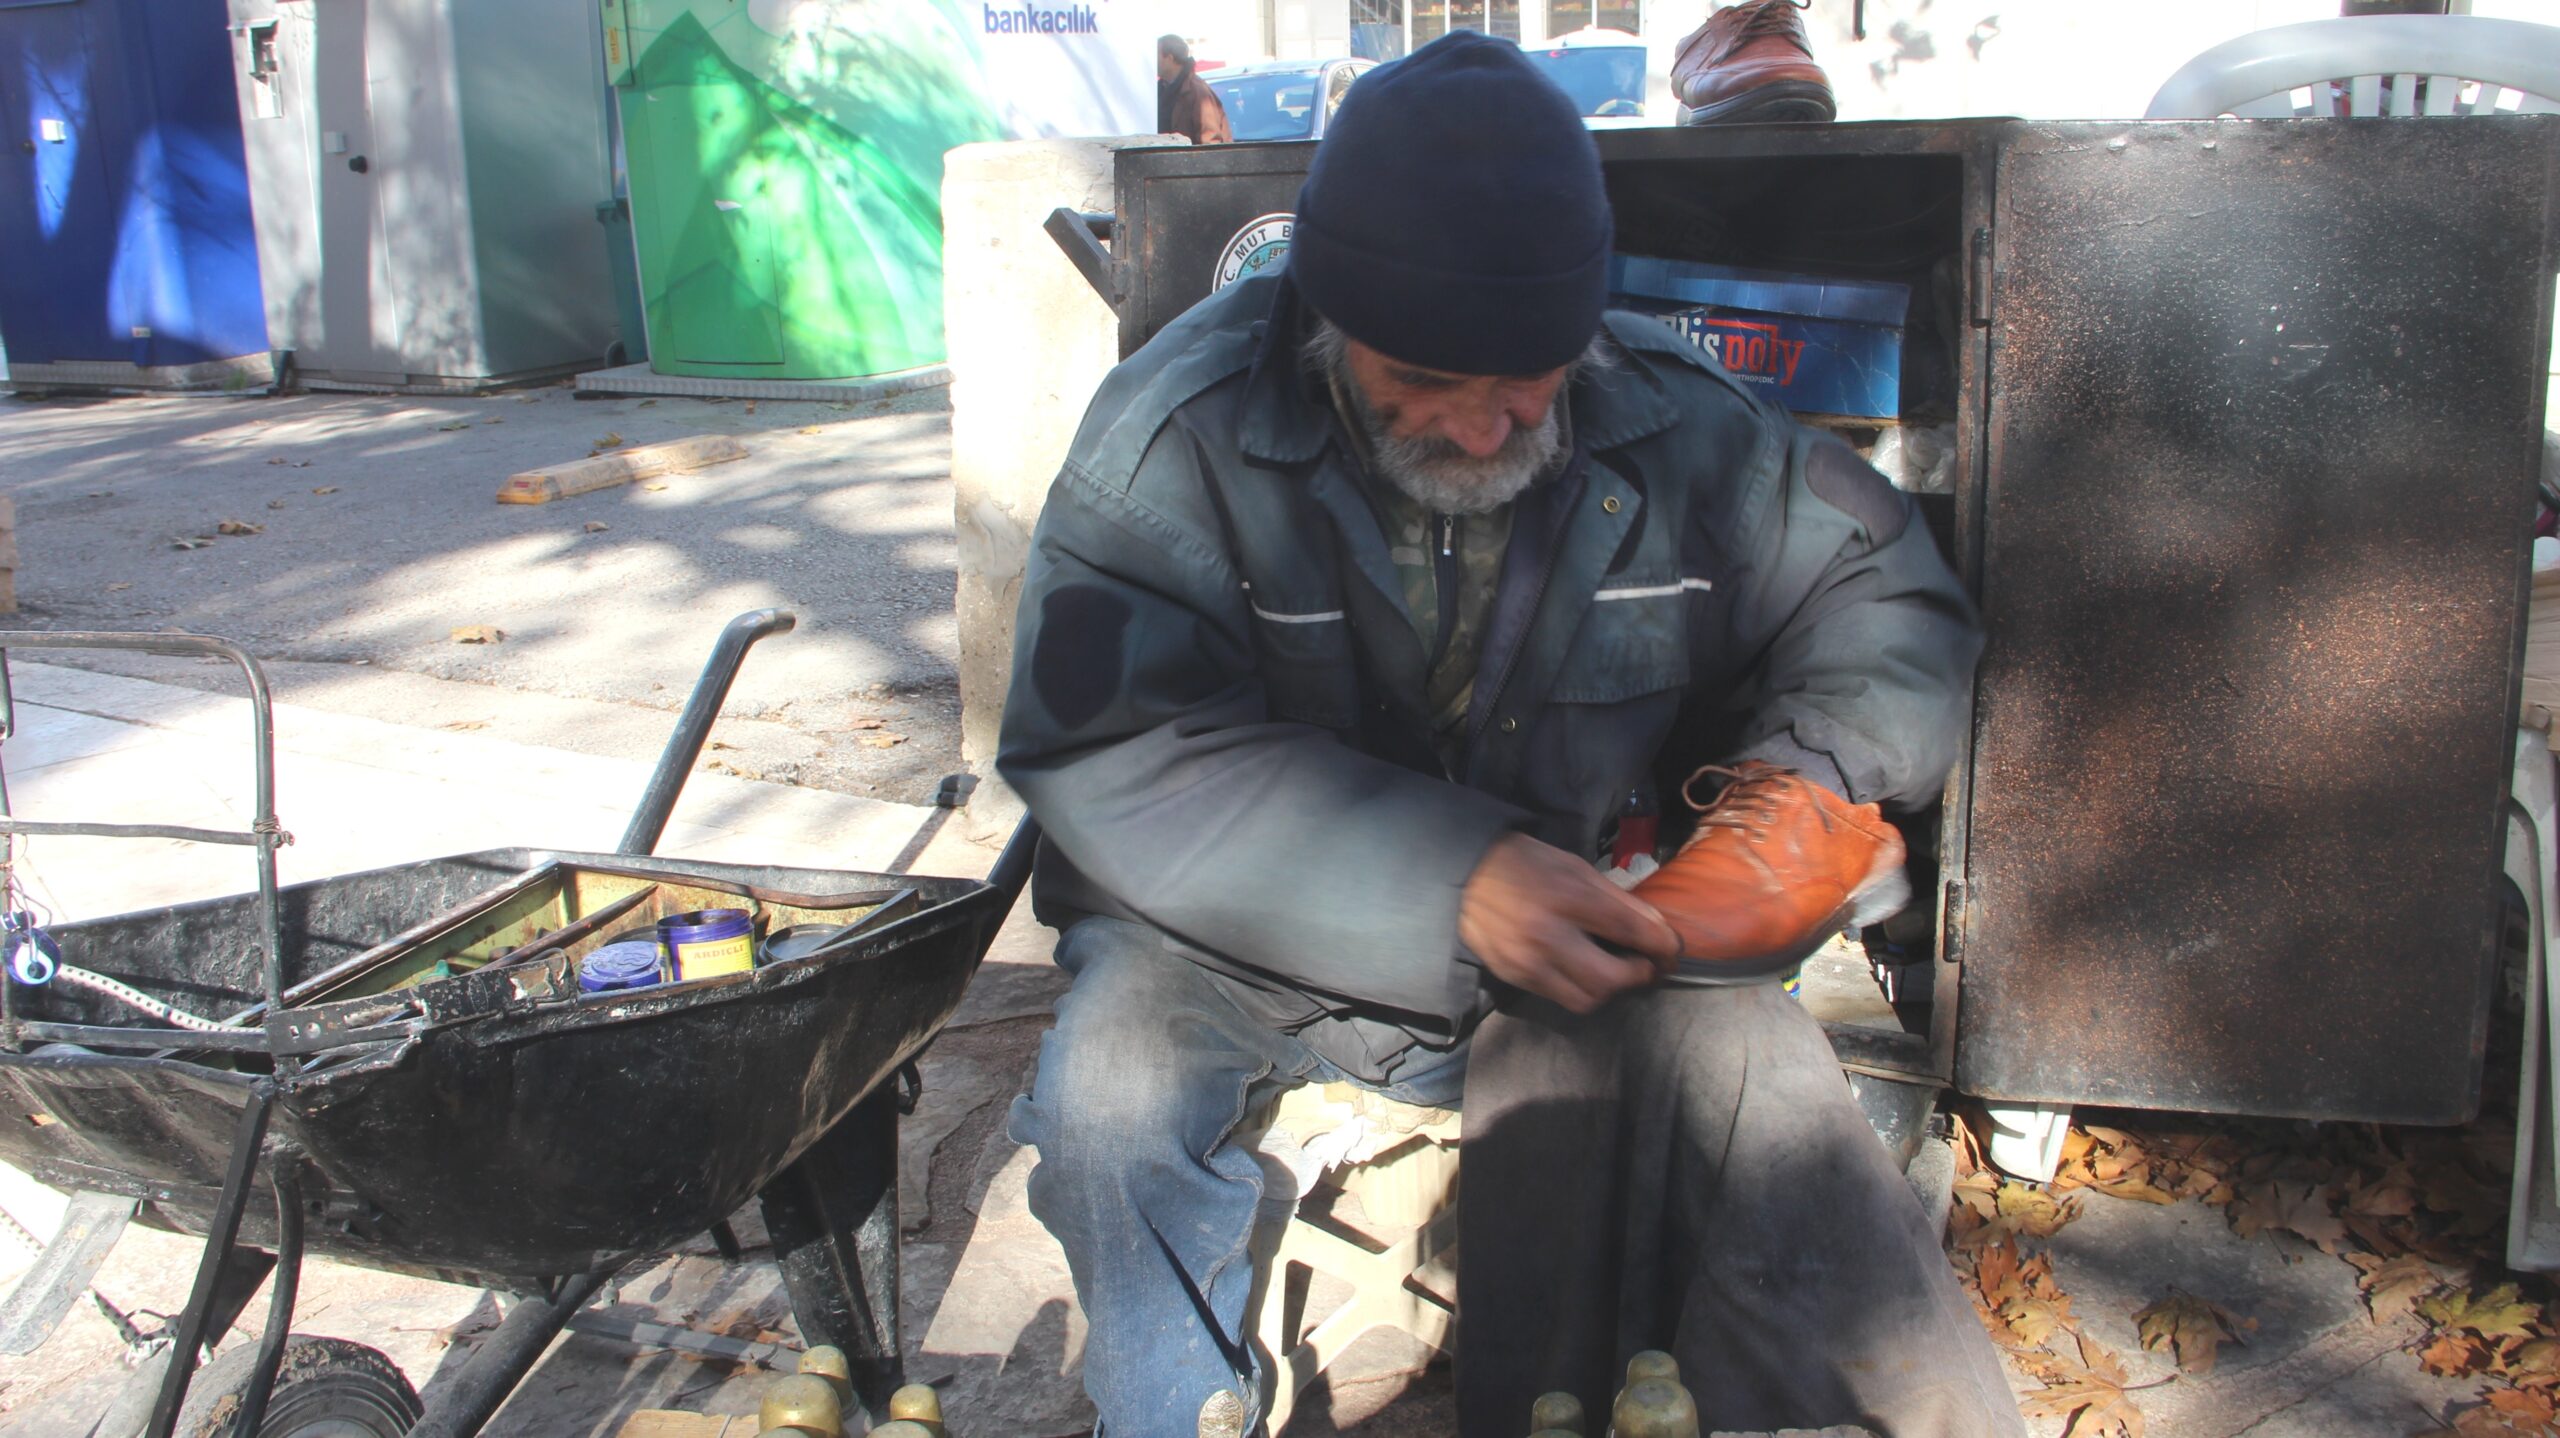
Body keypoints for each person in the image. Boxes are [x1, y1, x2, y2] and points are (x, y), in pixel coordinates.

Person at [998, 31, 2023, 1438]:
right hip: (1228, 943)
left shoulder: (1672, 419)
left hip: (1575, 919)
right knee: (1111, 1104)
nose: (1487, 431)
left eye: (1529, 380)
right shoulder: (1172, 440)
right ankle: (1172, 1410)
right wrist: (1447, 881)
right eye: (1428, 378)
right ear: (1328, 320)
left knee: (1778, 1099)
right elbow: (1107, 743)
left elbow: (1885, 595)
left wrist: (1808, 782)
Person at [1157, 34, 1232, 146]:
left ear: (1169, 58)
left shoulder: (1198, 91)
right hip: (1166, 161)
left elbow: (1211, 141)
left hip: (1190, 161)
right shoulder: (1160, 89)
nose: (1152, 61)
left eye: (1156, 56)